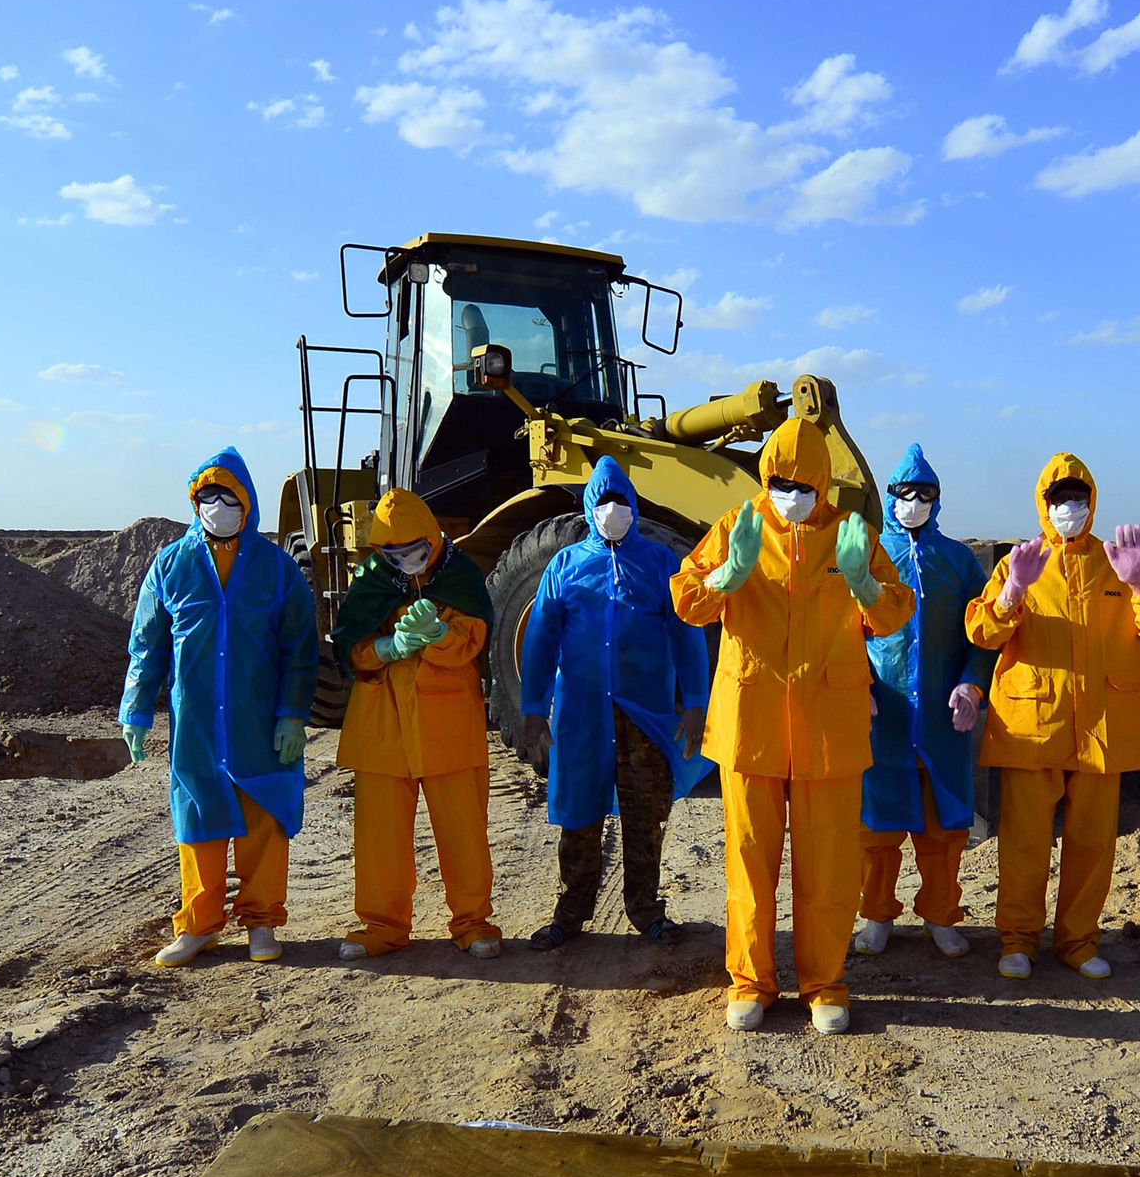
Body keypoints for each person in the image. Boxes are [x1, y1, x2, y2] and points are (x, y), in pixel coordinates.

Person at [671, 417, 914, 1035]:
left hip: (827, 726)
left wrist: (860, 583)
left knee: (828, 864)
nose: (791, 493)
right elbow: (686, 598)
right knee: (749, 861)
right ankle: (750, 981)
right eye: (780, 480)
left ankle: (825, 983)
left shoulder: (849, 533)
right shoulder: (737, 525)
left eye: (804, 483)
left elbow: (893, 614)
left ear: (823, 483)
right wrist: (727, 576)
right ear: (766, 474)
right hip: (750, 723)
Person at [967, 454, 1140, 980]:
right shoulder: (1020, 561)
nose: (1070, 508)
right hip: (1032, 726)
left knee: (1092, 843)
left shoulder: (1116, 561)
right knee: (1024, 843)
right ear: (1043, 505)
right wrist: (1014, 591)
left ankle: (1079, 942)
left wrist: (1139, 584)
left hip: (1100, 727)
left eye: (1078, 498)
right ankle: (1017, 941)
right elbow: (981, 633)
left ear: (1092, 502)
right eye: (1059, 499)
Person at [120, 447, 318, 967]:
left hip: (260, 721)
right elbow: (148, 645)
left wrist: (293, 712)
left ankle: (261, 922)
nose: (217, 505)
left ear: (247, 502)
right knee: (199, 818)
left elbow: (301, 646)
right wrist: (136, 710)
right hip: (199, 724)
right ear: (193, 502)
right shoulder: (171, 565)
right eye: (206, 496)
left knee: (263, 821)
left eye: (227, 496)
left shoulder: (276, 568)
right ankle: (199, 924)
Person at [520, 457, 712, 948]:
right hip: (582, 713)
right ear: (589, 506)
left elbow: (687, 637)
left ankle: (647, 910)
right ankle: (570, 913)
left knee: (646, 812)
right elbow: (540, 641)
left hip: (643, 712)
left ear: (633, 505)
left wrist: (694, 703)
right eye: (603, 501)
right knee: (578, 811)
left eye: (620, 501)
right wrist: (532, 709)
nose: (612, 509)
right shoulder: (564, 566)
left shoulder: (661, 563)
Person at [331, 488, 503, 961]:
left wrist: (440, 636)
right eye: (392, 553)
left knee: (463, 830)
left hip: (447, 722)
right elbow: (351, 647)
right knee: (378, 837)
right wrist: (384, 649)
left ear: (431, 538)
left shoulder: (461, 575)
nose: (404, 560)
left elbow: (474, 643)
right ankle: (383, 926)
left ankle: (473, 922)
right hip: (382, 724)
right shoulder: (370, 578)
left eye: (413, 550)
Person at [853, 443, 997, 960]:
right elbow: (845, 631)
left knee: (944, 828)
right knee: (877, 826)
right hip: (884, 717)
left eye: (925, 494)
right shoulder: (868, 556)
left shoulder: (958, 560)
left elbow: (984, 634)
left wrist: (972, 685)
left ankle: (940, 915)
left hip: (941, 716)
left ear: (938, 501)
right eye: (905, 493)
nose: (914, 502)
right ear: (890, 497)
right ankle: (875, 915)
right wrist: (859, 685)